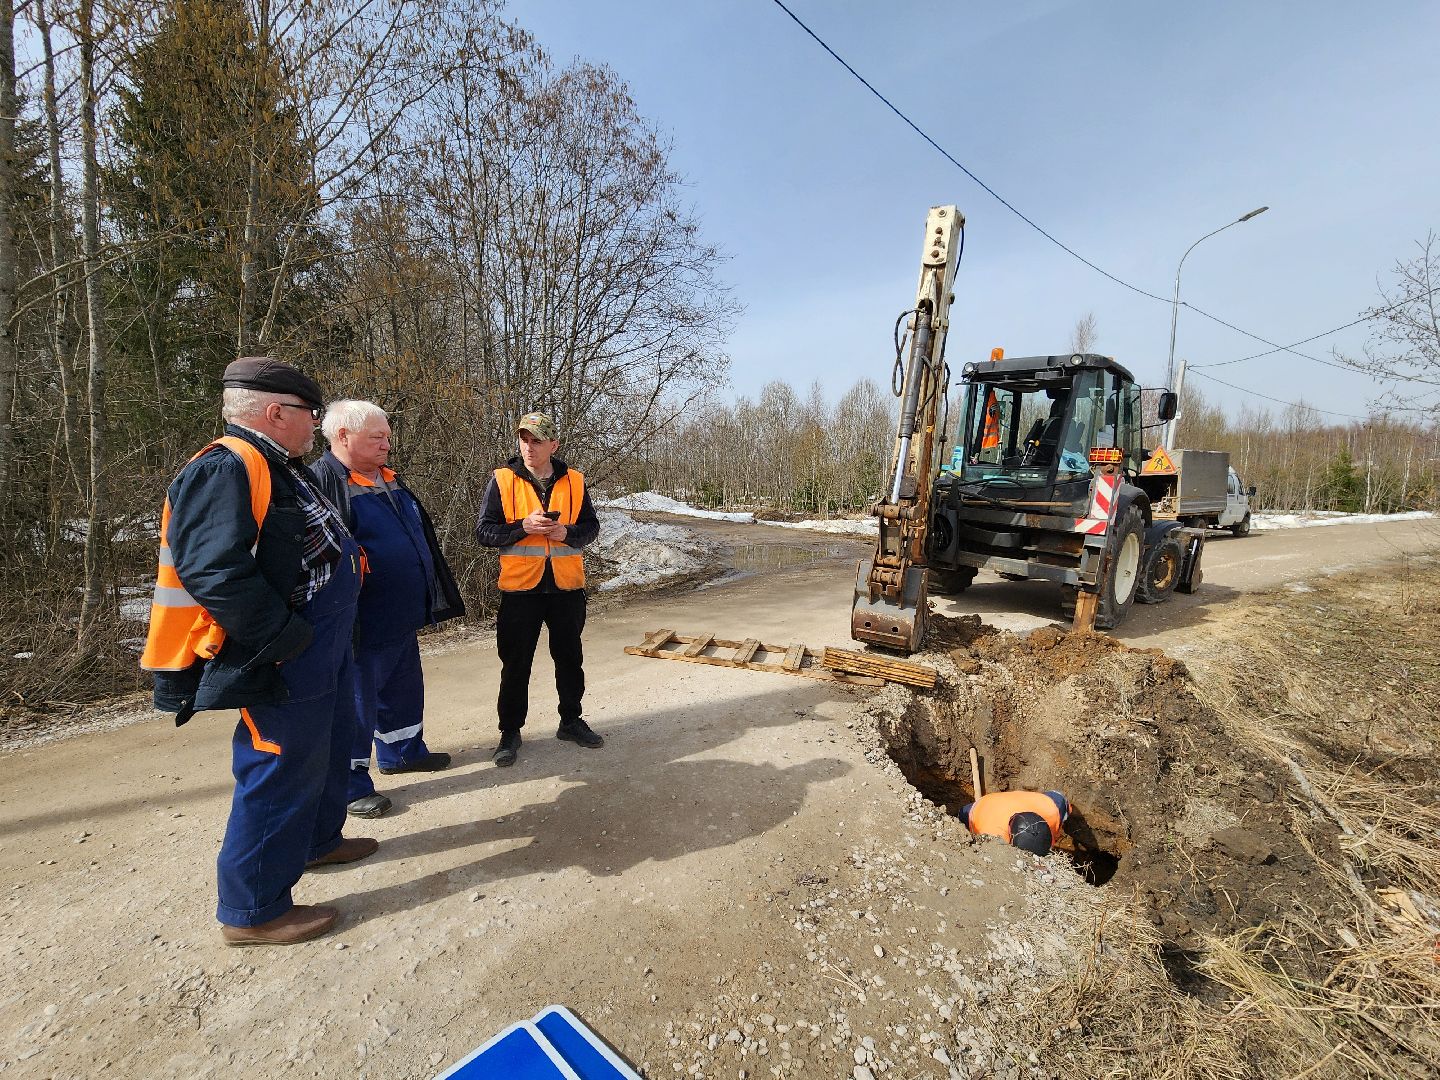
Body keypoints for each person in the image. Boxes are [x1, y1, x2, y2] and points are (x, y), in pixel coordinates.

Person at [140, 357, 376, 947]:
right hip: (286, 649)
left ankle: (319, 840)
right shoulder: (225, 467)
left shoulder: (277, 463)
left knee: (326, 745)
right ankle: (253, 911)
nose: (315, 424)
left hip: (321, 642)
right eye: (310, 414)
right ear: (276, 412)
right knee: (278, 766)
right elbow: (212, 570)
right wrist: (284, 638)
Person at [313, 400, 466, 818]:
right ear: (342, 437)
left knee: (403, 688)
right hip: (360, 621)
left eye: (387, 436)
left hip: (400, 615)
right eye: (376, 437)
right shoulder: (323, 484)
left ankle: (403, 752)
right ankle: (349, 785)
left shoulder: (387, 479)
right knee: (357, 703)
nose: (387, 444)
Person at [475, 411, 602, 767]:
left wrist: (568, 533)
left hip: (566, 588)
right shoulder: (501, 481)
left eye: (537, 441)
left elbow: (591, 527)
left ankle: (571, 721)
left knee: (569, 660)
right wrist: (522, 526)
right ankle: (510, 732)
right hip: (520, 591)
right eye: (524, 440)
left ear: (553, 444)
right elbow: (484, 533)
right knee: (515, 665)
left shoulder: (575, 480)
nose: (529, 447)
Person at [960, 789, 1070, 856]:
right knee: (960, 817)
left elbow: (1060, 798)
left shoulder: (1052, 809)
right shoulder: (992, 836)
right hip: (979, 808)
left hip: (1015, 802)